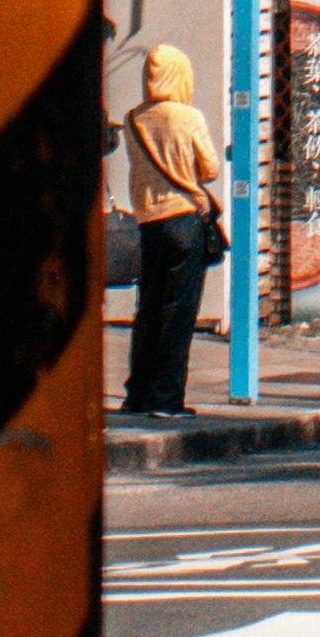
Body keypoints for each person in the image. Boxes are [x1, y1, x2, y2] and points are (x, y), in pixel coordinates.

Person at [122, 42, 227, 415]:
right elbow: (210, 169)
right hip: (185, 221)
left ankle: (136, 395)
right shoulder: (188, 117)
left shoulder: (133, 118)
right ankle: (167, 398)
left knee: (147, 310)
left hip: (148, 223)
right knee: (178, 313)